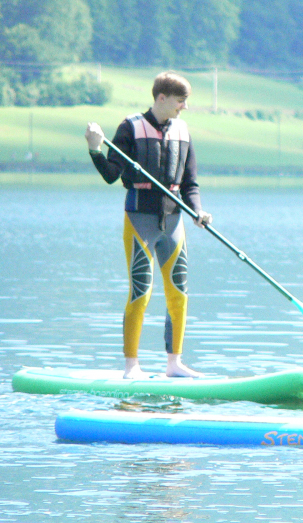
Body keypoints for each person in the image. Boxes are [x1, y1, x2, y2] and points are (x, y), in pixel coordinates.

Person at [84, 71, 212, 379]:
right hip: (139, 220)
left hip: (174, 222)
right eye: (181, 101)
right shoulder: (130, 128)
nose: (184, 107)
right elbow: (111, 175)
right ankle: (132, 367)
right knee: (141, 291)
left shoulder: (183, 131)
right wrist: (94, 149)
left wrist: (197, 211)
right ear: (162, 98)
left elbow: (190, 183)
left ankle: (175, 363)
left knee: (179, 292)